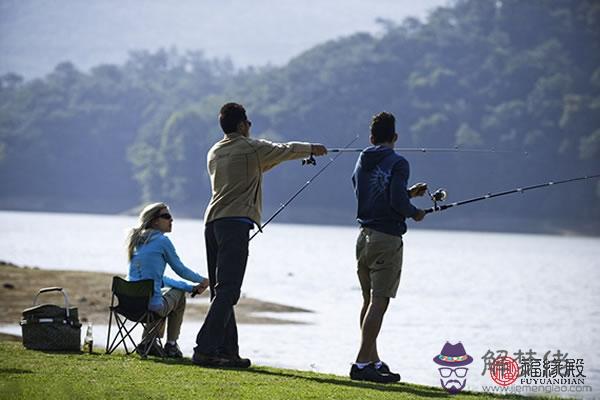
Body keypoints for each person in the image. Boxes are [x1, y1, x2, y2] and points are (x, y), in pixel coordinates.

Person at [192, 102, 328, 368]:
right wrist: (312, 148)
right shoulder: (250, 148)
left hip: (212, 223)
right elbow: (284, 149)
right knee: (229, 290)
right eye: (249, 123)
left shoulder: (215, 152)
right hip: (234, 223)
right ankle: (205, 348)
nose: (250, 128)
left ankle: (228, 351)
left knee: (221, 291)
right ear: (242, 125)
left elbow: (258, 166)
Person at [349, 111, 427, 383]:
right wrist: (414, 211)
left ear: (372, 138)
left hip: (364, 236)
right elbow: (396, 202)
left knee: (368, 301)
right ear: (395, 137)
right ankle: (361, 364)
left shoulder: (362, 158)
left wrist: (407, 195)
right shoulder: (399, 162)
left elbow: (363, 188)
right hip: (387, 238)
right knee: (379, 302)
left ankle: (372, 359)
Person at [127, 202, 209, 358]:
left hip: (129, 304)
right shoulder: (162, 241)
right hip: (149, 307)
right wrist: (203, 280)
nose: (172, 220)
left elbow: (159, 278)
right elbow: (181, 270)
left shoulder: (137, 241)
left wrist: (190, 287)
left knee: (163, 294)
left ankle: (148, 342)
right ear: (154, 220)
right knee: (176, 296)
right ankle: (171, 345)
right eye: (166, 216)